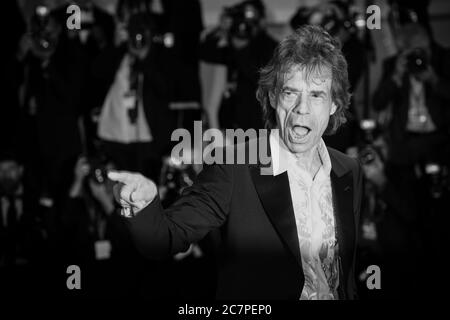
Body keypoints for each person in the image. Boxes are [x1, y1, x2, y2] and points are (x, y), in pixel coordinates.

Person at [109, 26, 363, 300]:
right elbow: (166, 238)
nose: (302, 108)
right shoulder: (235, 166)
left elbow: (343, 274)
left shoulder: (348, 170)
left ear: (334, 104)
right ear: (273, 97)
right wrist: (143, 205)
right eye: (291, 93)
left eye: (316, 95)